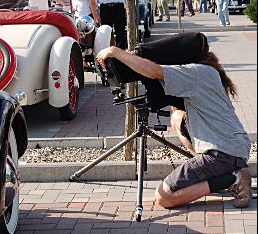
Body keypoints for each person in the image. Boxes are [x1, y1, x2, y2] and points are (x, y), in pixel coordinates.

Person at [96, 41, 252, 209]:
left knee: (164, 197)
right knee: (177, 117)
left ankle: (231, 178)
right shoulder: (207, 71)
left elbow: (154, 72)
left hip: (221, 154)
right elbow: (175, 104)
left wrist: (115, 52)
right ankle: (219, 171)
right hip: (234, 147)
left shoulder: (195, 72)